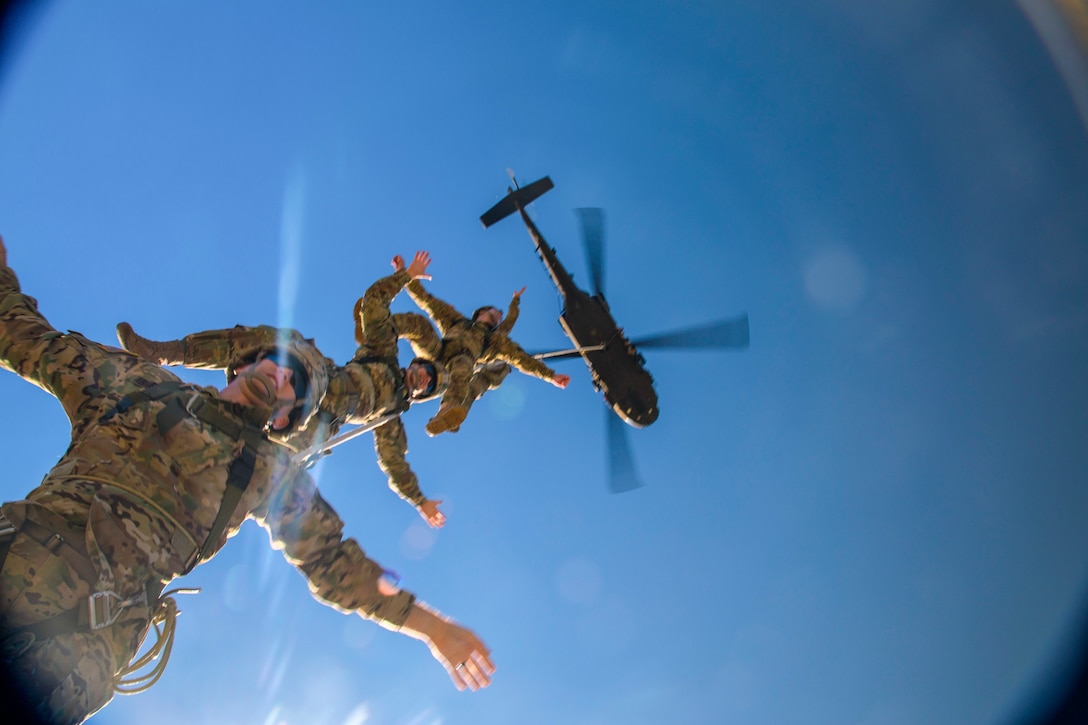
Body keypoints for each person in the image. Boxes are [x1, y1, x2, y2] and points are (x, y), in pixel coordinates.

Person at [0, 237, 493, 725]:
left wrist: (430, 627)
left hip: (73, 653)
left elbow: (330, 559)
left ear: (286, 421)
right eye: (275, 364)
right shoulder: (139, 385)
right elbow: (26, 338)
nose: (280, 377)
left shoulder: (269, 474)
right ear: (242, 364)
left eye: (293, 388)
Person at [116, 252, 449, 528]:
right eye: (426, 371)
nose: (424, 380)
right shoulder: (384, 353)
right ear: (416, 363)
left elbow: (395, 464)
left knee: (255, 468)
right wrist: (406, 277)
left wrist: (420, 501)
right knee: (279, 344)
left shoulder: (389, 416)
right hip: (321, 379)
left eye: (428, 386)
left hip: (315, 426)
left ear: (422, 395)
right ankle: (167, 352)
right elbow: (373, 305)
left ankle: (162, 502)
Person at [403, 278, 570, 436]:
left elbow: (520, 358)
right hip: (436, 354)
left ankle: (445, 413)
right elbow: (429, 302)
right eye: (497, 312)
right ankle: (383, 330)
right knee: (419, 326)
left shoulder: (493, 342)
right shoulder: (458, 321)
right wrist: (407, 277)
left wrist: (550, 376)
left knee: (463, 365)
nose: (499, 317)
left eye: (500, 318)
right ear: (481, 312)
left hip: (455, 368)